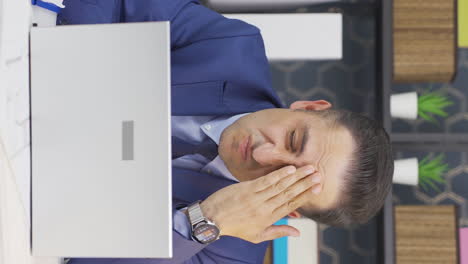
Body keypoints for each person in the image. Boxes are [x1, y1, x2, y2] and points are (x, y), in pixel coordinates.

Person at [59, 0, 394, 263]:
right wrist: (68, 67)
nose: (264, 153)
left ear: (288, 210)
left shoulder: (227, 253)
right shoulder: (230, 48)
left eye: (283, 178)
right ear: (308, 109)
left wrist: (204, 221)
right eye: (293, 139)